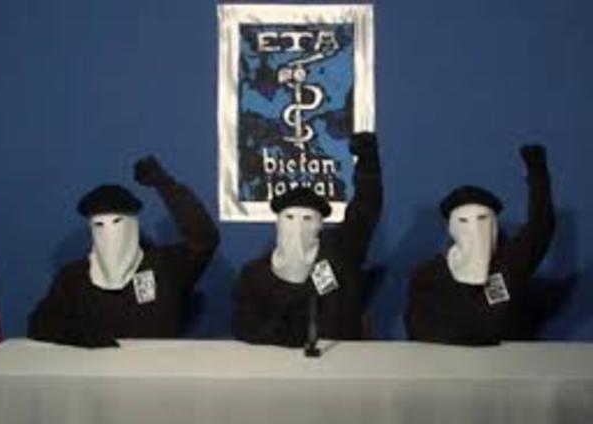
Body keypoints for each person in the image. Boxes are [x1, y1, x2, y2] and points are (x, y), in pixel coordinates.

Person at [28, 156, 219, 347]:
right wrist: (78, 337)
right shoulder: (74, 278)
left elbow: (205, 239)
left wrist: (165, 185)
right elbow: (40, 324)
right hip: (97, 365)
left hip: (158, 363)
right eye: (99, 224)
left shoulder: (165, 266)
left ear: (132, 224)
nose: (109, 232)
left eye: (117, 222)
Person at [233, 132, 382, 347]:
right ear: (278, 223)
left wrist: (368, 165)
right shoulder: (255, 275)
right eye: (289, 217)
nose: (298, 226)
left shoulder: (339, 254)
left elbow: (364, 212)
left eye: (308, 218)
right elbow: (245, 327)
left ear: (320, 224)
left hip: (338, 359)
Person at [405, 145, 555, 345]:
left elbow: (540, 228)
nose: (475, 230)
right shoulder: (428, 276)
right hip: (447, 363)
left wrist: (537, 172)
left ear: (494, 225)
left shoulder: (510, 265)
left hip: (505, 362)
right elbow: (418, 329)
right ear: (452, 228)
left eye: (483, 219)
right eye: (463, 221)